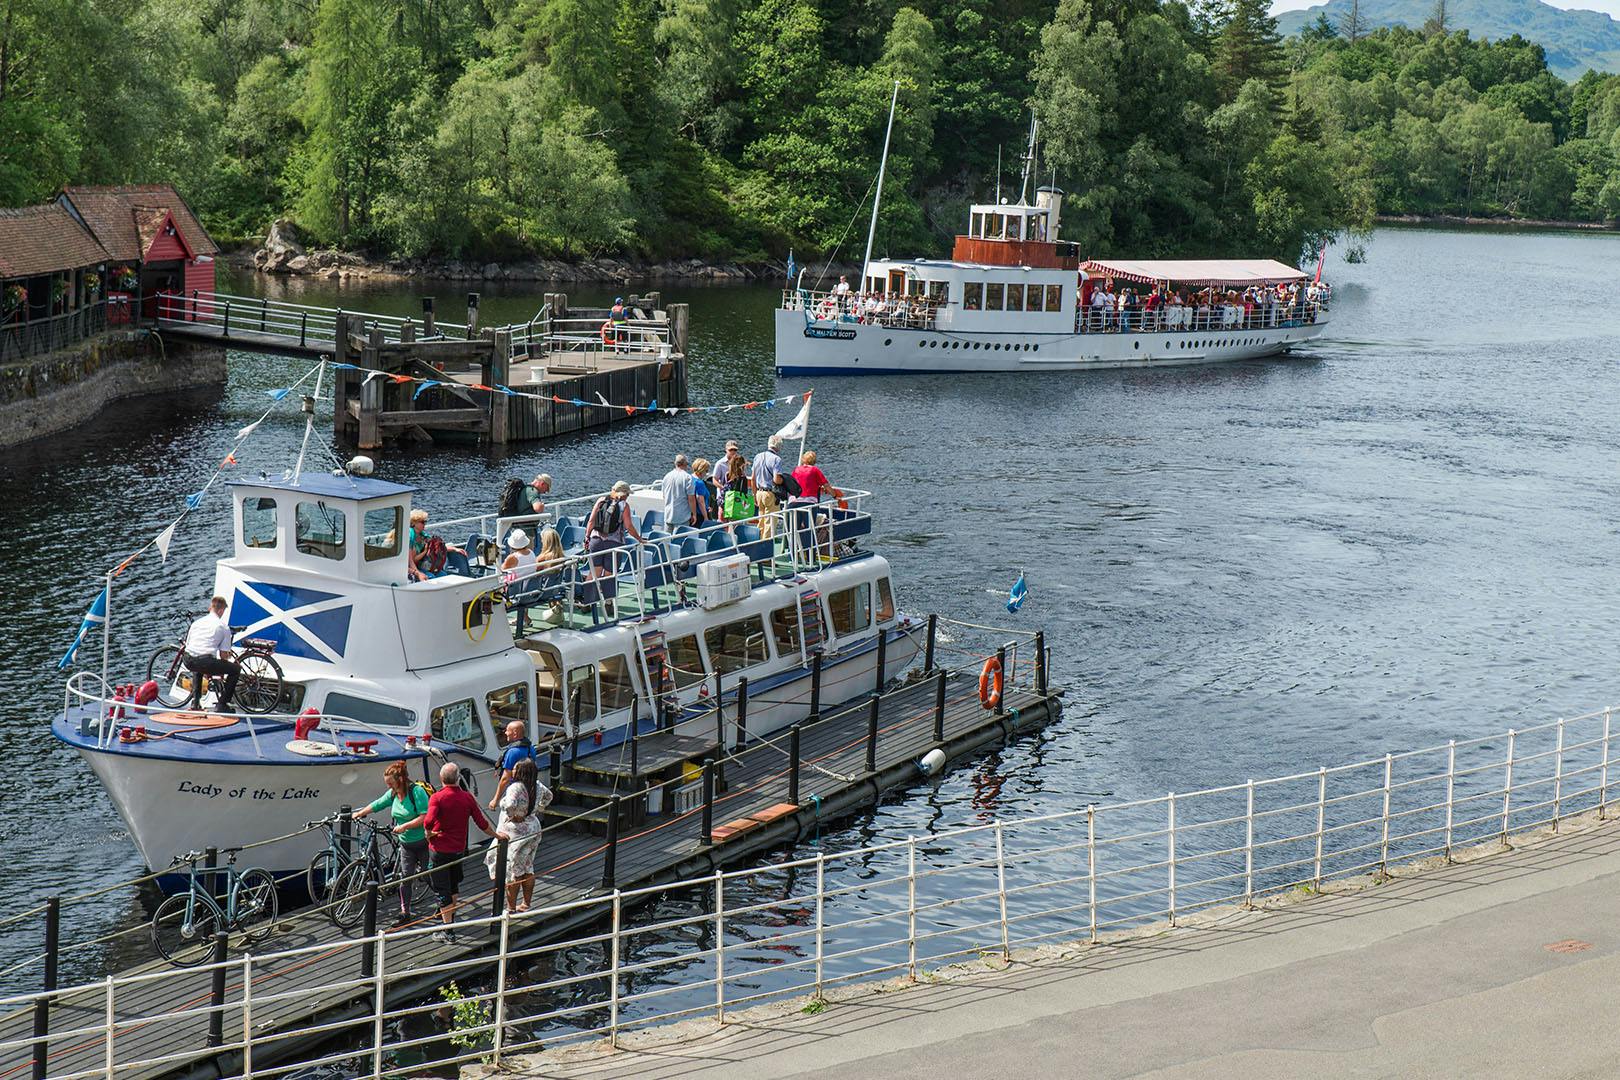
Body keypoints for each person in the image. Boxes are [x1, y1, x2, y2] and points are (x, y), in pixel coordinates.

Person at [353, 761, 431, 929]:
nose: (388, 786)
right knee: (406, 877)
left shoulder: (416, 792)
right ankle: (405, 912)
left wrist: (405, 826)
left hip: (423, 841)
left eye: (390, 783)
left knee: (428, 875)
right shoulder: (394, 793)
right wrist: (359, 813)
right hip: (406, 843)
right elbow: (378, 803)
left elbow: (425, 816)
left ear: (400, 779)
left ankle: (443, 903)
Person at [424, 762, 493, 943]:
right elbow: (481, 822)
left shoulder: (437, 798)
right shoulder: (467, 798)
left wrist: (429, 834)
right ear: (457, 778)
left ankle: (448, 931)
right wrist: (496, 835)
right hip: (457, 850)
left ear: (441, 779)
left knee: (441, 890)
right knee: (453, 885)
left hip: (439, 850)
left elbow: (428, 821)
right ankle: (449, 919)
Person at [486, 757, 550, 912]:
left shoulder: (515, 787)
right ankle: (526, 904)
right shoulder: (537, 785)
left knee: (513, 870)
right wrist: (537, 809)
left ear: (521, 772)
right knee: (528, 867)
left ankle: (511, 908)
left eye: (515, 768)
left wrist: (512, 815)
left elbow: (509, 805)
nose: (512, 770)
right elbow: (549, 796)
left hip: (516, 831)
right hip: (533, 827)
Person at [181, 596, 239, 713]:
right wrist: (228, 656)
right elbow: (223, 656)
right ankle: (222, 704)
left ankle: (196, 703)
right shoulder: (223, 627)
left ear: (210, 608)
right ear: (221, 610)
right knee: (235, 670)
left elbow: (189, 644)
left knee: (197, 664)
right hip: (204, 662)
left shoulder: (197, 623)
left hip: (187, 660)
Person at [585, 480, 643, 580]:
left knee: (594, 572)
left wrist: (587, 537)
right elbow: (629, 526)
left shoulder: (601, 501)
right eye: (627, 494)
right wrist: (639, 539)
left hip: (596, 540)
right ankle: (608, 595)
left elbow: (591, 521)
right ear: (624, 494)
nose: (628, 496)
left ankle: (589, 595)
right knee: (609, 574)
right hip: (614, 543)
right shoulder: (624, 506)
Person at [488, 719, 535, 811]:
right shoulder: (531, 748)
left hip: (515, 790)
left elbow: (505, 778)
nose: (505, 733)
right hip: (529, 789)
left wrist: (495, 800)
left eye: (507, 730)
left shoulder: (513, 752)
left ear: (514, 733)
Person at [408, 509, 465, 582]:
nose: (424, 524)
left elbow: (436, 546)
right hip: (413, 568)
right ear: (414, 523)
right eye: (422, 522)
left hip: (423, 565)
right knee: (431, 577)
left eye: (425, 522)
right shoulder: (410, 537)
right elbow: (412, 560)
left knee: (443, 574)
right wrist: (425, 552)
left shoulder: (423, 536)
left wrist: (455, 549)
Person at [750, 436, 784, 539]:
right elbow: (776, 479)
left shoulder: (758, 456)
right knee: (770, 522)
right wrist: (784, 481)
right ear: (779, 447)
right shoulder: (776, 459)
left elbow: (752, 478)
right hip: (770, 494)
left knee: (761, 520)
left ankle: (758, 539)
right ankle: (766, 544)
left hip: (759, 492)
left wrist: (754, 494)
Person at [661, 454, 699, 530]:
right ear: (685, 464)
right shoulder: (688, 478)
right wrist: (694, 514)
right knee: (679, 540)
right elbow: (691, 499)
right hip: (682, 516)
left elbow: (664, 495)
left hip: (668, 514)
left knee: (666, 540)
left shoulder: (667, 476)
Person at [691, 459, 715, 525]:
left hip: (691, 513)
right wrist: (706, 517)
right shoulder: (699, 483)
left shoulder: (689, 478)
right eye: (706, 471)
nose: (706, 473)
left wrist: (707, 507)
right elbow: (700, 501)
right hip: (699, 515)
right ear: (701, 470)